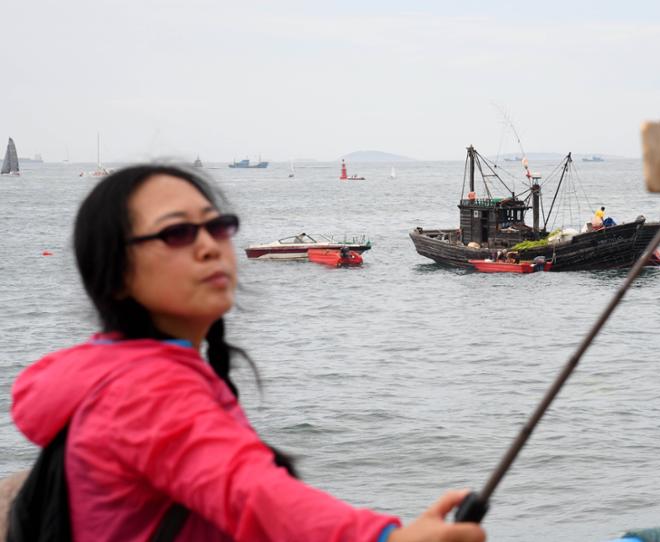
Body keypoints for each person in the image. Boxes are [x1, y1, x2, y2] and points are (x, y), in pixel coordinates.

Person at [9, 165, 486, 542]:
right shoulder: (145, 388)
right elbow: (249, 491)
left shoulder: (102, 374)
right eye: (177, 233)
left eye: (217, 226)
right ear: (114, 271)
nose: (208, 246)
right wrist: (385, 537)